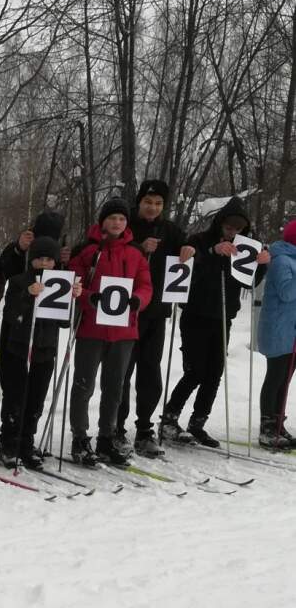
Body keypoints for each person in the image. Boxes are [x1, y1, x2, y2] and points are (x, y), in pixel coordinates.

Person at [162, 195, 269, 448]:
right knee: (195, 371)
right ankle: (169, 418)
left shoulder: (245, 248)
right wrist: (213, 252)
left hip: (223, 316)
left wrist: (262, 264)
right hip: (196, 314)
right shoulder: (199, 240)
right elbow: (187, 270)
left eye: (237, 229)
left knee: (214, 373)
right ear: (219, 223)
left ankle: (198, 422)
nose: (232, 233)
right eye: (228, 227)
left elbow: (249, 282)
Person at [68, 197, 152, 466]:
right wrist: (88, 298)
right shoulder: (87, 250)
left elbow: (146, 285)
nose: (117, 223)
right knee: (84, 385)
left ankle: (106, 437)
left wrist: (138, 300)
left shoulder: (135, 253)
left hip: (124, 332)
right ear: (103, 221)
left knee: (115, 388)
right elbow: (74, 284)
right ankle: (80, 438)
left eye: (122, 218)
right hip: (91, 329)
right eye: (112, 218)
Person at [0, 233, 82, 470]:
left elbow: (64, 322)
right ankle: (9, 444)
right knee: (15, 398)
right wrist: (28, 295)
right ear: (31, 259)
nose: (44, 264)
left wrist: (73, 298)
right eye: (40, 259)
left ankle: (26, 442)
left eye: (49, 260)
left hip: (45, 349)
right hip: (19, 348)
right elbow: (11, 313)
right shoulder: (18, 281)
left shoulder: (61, 283)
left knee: (36, 400)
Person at [117, 178, 186, 456]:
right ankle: (115, 427)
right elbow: (111, 251)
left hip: (156, 313)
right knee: (122, 371)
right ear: (139, 202)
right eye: (148, 202)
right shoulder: (126, 226)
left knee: (150, 371)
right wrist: (139, 248)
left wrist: (190, 250)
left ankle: (144, 429)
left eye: (158, 203)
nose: (153, 207)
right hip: (127, 311)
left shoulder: (171, 230)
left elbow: (190, 249)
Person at [254, 217, 296, 449]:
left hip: (292, 330)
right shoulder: (281, 260)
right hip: (279, 329)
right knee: (275, 377)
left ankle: (278, 423)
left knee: (285, 380)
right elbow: (287, 293)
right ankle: (267, 427)